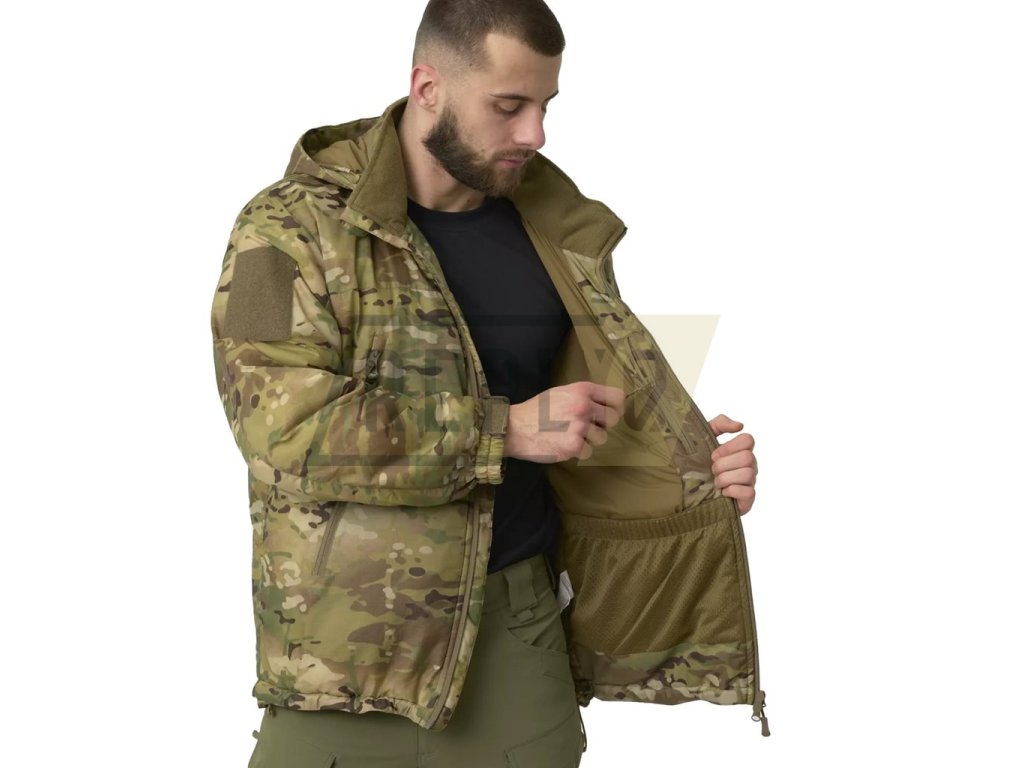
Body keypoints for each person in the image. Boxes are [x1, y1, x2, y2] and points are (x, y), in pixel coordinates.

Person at [210, 1, 765, 765]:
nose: (535, 133)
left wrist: (693, 472)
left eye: (545, 105)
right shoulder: (284, 229)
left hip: (517, 635)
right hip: (342, 661)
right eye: (508, 106)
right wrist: (501, 431)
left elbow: (588, 418)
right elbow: (279, 428)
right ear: (428, 87)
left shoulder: (554, 229)